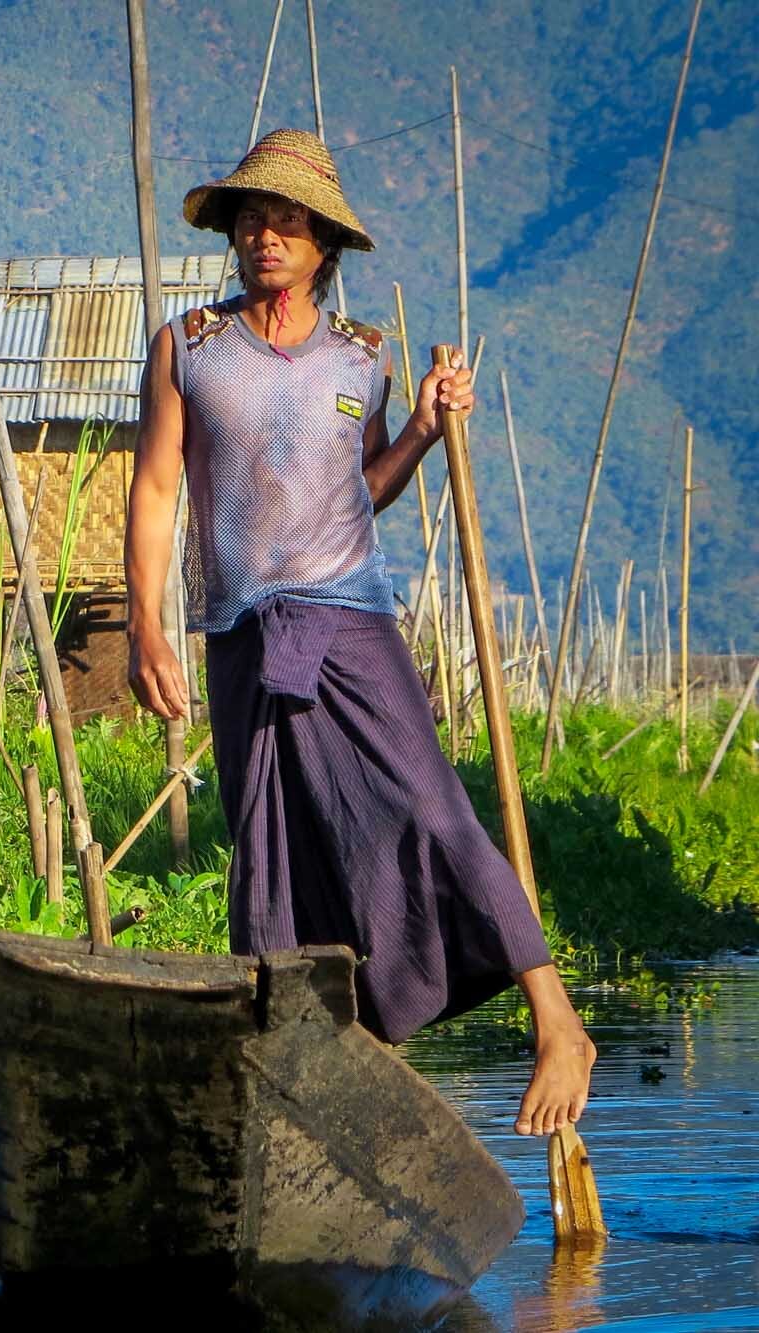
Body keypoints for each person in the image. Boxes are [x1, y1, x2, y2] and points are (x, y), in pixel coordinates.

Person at [124, 129, 594, 1137]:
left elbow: (361, 492)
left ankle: (555, 1017)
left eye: (285, 222)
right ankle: (297, 1080)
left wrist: (422, 427)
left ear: (322, 243)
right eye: (251, 218)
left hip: (349, 625)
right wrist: (146, 633)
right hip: (240, 632)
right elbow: (156, 485)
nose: (263, 236)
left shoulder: (363, 358)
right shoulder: (188, 345)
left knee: (427, 810)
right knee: (273, 856)